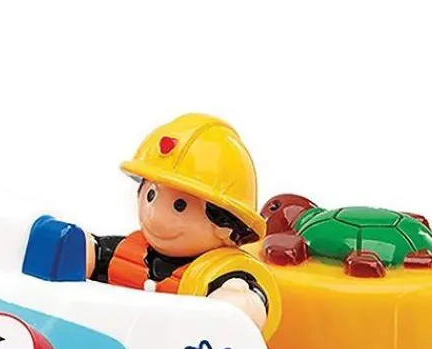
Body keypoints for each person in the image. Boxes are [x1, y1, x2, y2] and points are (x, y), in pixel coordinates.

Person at [23, 114, 271, 330]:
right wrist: (71, 246)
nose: (154, 215)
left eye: (180, 206)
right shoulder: (127, 251)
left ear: (224, 224)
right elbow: (94, 254)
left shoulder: (223, 275)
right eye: (151, 195)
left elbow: (251, 302)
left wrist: (235, 306)